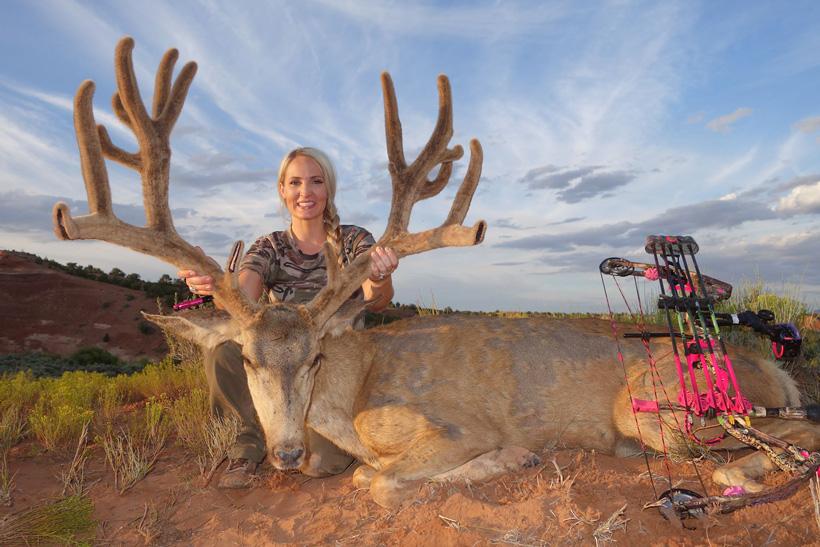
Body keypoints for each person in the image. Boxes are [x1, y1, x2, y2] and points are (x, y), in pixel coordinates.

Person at [178, 147, 398, 488]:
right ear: (282, 189)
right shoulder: (270, 246)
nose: (305, 192)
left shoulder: (354, 240)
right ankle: (246, 447)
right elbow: (245, 294)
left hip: (335, 362)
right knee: (222, 346)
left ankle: (326, 427)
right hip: (279, 359)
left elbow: (377, 301)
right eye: (295, 182)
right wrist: (216, 287)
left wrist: (380, 277)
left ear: (328, 189)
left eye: (316, 181)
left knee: (320, 463)